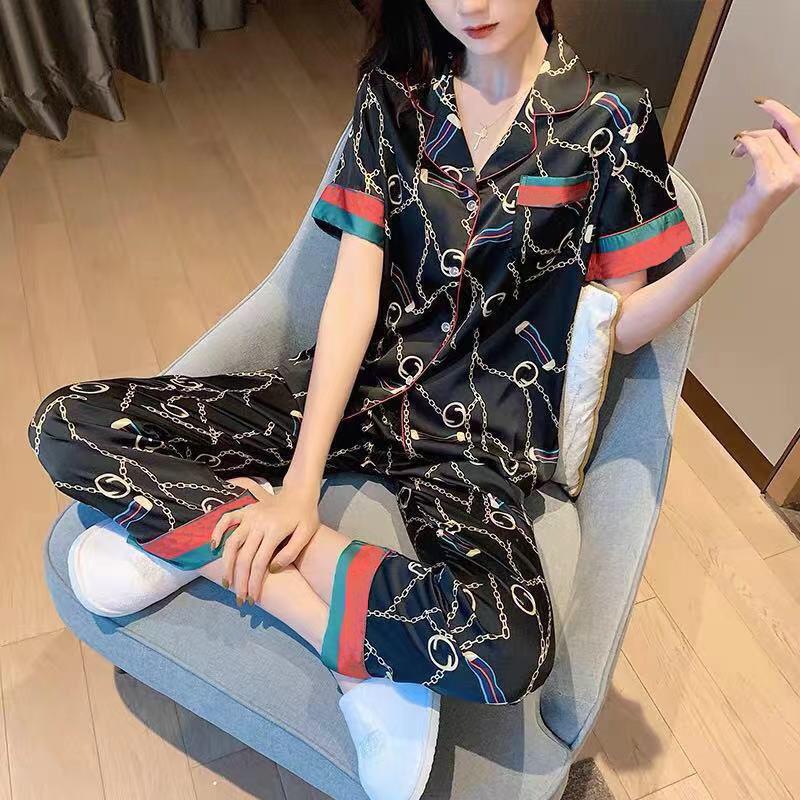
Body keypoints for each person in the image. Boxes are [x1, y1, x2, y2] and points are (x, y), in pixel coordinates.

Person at [27, 1, 800, 798]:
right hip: (355, 394)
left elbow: (620, 328)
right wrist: (298, 490)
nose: (470, 5)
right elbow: (353, 296)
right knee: (66, 424)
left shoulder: (613, 117)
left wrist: (741, 226)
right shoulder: (393, 95)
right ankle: (336, 641)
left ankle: (214, 530)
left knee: (511, 646)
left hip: (481, 441)